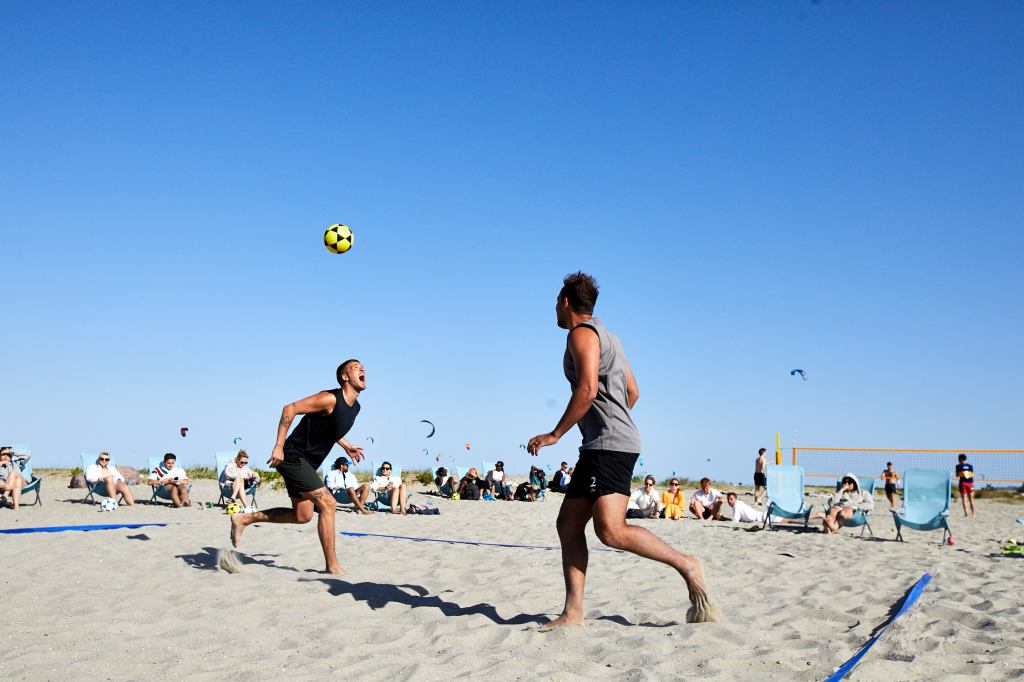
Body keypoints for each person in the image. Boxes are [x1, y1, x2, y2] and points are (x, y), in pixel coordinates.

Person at [527, 271, 717, 629]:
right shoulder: (610, 337)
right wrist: (611, 422)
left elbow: (586, 390)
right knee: (568, 524)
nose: (554, 308)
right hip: (603, 443)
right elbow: (633, 392)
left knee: (611, 530)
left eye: (555, 302)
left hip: (608, 445)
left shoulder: (581, 334)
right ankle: (573, 612)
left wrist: (555, 434)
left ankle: (687, 564)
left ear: (565, 302)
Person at [230, 360, 367, 575]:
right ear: (345, 377)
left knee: (302, 516)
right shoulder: (330, 398)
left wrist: (347, 445)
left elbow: (331, 428)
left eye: (362, 366)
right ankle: (332, 566)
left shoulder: (355, 408)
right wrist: (279, 446)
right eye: (355, 367)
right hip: (292, 456)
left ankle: (244, 519)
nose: (362, 368)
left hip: (308, 463)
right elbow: (290, 408)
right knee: (328, 504)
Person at [956, 453, 975, 517]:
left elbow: (957, 475)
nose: (958, 460)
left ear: (960, 459)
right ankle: (973, 514)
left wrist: (961, 472)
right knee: (971, 499)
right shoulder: (970, 466)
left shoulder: (958, 466)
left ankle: (966, 514)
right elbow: (971, 474)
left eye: (958, 459)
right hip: (970, 483)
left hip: (963, 483)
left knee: (964, 499)